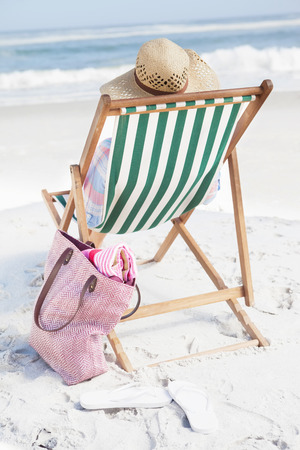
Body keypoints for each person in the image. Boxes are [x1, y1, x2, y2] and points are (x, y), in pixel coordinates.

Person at [83, 38, 221, 229]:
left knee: (104, 158)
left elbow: (91, 218)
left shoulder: (115, 154)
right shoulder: (202, 146)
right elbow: (210, 193)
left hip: (122, 214)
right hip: (183, 200)